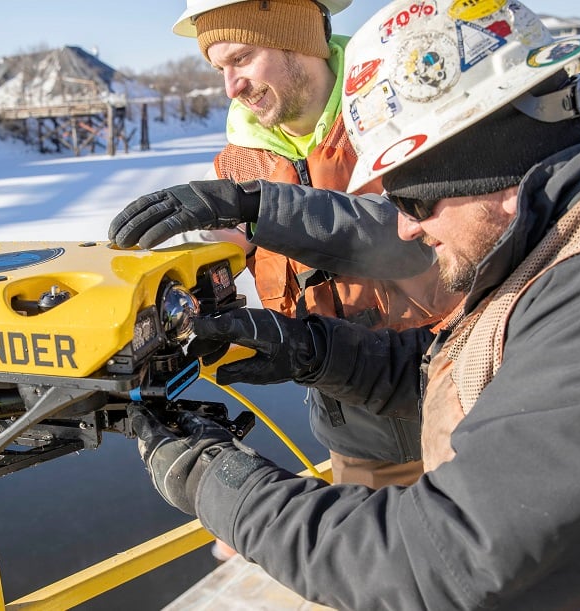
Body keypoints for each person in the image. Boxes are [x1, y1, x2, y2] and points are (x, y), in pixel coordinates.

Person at [122, 0, 580, 608]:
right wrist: (312, 352)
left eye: (413, 200)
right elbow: (487, 365)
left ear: (486, 167)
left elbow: (436, 563)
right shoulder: (564, 232)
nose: (402, 230)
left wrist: (213, 481)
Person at [117, 0, 461, 492]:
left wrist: (260, 207)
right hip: (356, 436)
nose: (231, 87)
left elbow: (424, 236)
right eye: (219, 69)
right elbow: (232, 259)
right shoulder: (239, 164)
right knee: (377, 561)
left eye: (241, 58)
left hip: (463, 398)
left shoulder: (404, 106)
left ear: (298, 39)